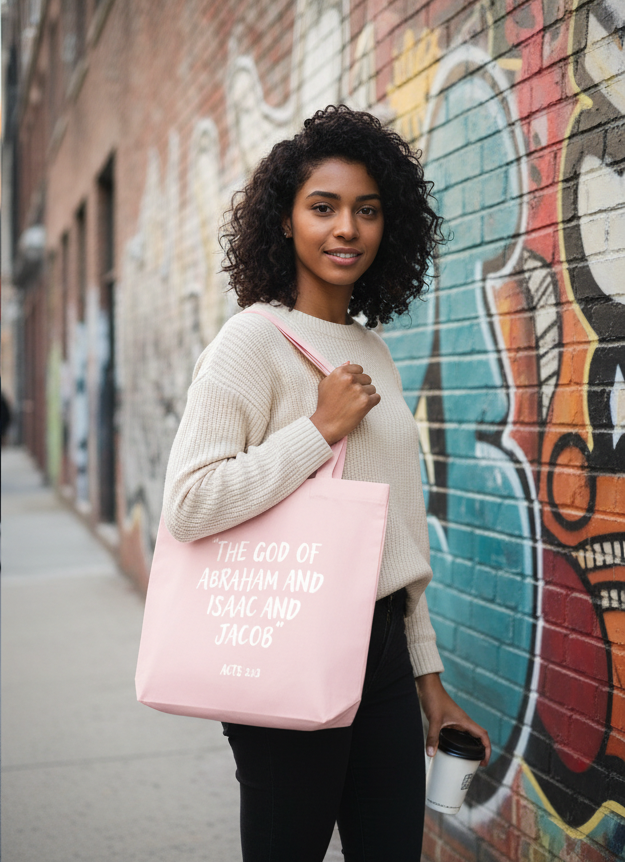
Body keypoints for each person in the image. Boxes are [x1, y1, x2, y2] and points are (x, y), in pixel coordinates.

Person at [163, 105, 491, 862]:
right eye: (323, 207)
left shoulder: (372, 350)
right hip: (287, 642)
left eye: (366, 211)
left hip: (379, 655)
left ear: (389, 227)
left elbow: (392, 541)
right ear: (284, 222)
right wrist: (318, 431)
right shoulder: (251, 340)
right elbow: (189, 506)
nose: (346, 228)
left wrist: (427, 682)